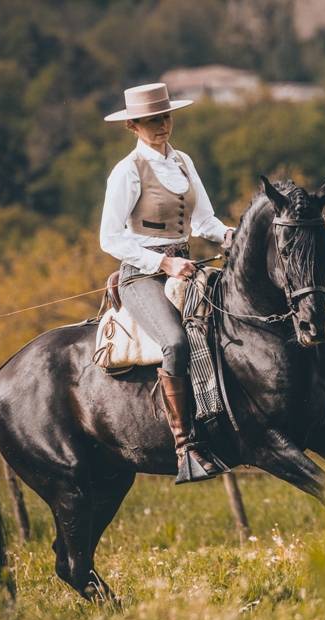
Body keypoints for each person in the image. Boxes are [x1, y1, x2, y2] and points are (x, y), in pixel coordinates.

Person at [99, 82, 234, 484]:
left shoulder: (183, 162)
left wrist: (231, 235)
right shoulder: (126, 172)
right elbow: (110, 238)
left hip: (187, 266)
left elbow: (205, 221)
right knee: (174, 341)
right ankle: (185, 447)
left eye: (165, 117)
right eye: (152, 120)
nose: (162, 125)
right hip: (141, 275)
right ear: (133, 126)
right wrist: (164, 263)